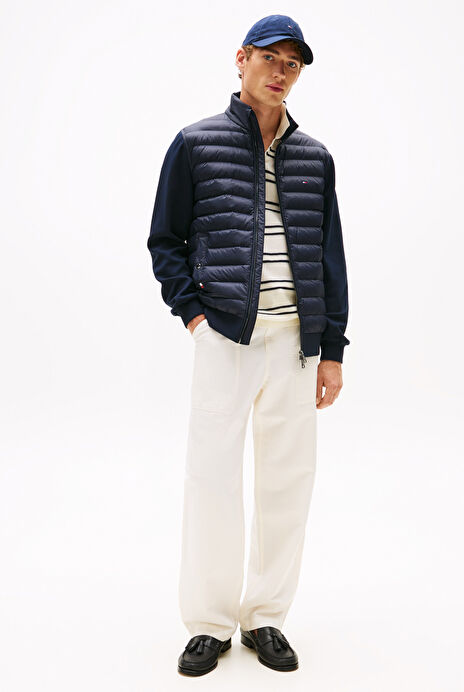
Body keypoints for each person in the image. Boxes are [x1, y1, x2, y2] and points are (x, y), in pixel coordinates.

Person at [147, 14, 350, 677]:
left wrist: (331, 349)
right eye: (270, 58)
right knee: (211, 479)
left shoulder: (315, 157)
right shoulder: (195, 143)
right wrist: (194, 317)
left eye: (293, 64)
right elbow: (165, 240)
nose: (280, 72)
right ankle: (209, 624)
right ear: (241, 59)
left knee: (287, 482)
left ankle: (265, 617)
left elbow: (330, 257)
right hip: (225, 337)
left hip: (295, 343)